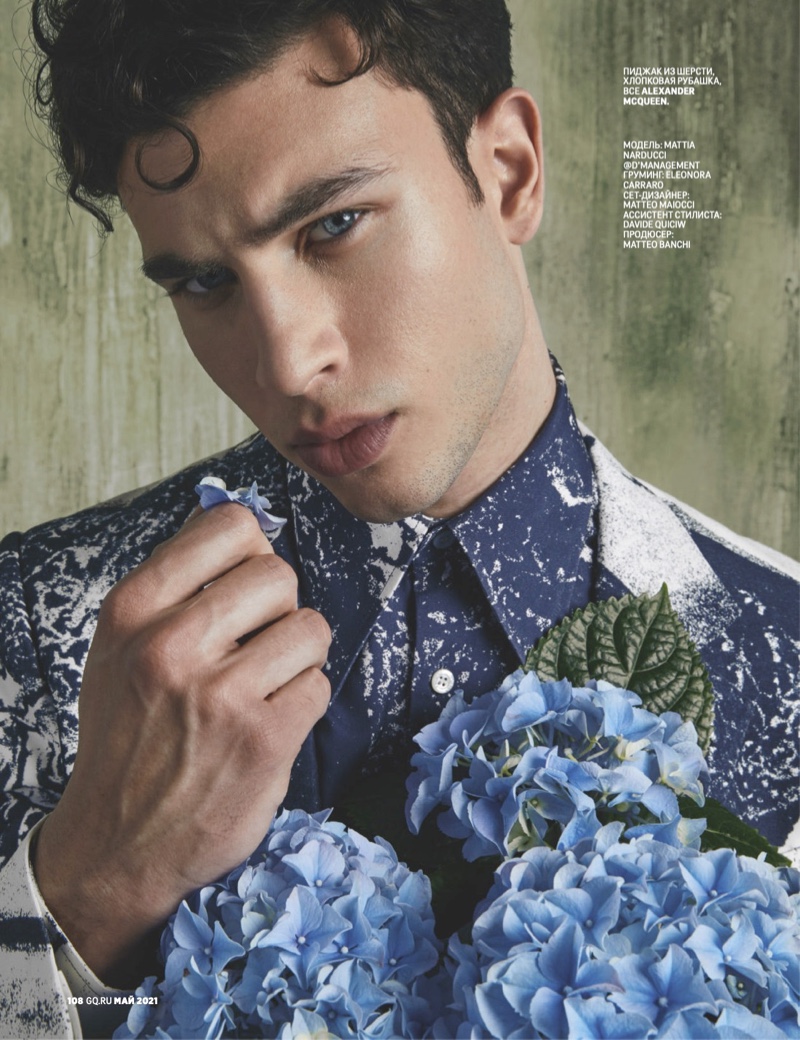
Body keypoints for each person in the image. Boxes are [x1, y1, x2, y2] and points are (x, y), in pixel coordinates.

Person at [1, 0, 797, 1035]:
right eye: (204, 282)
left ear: (508, 172)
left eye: (333, 226)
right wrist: (94, 888)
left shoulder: (780, 664)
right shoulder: (37, 628)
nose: (290, 363)